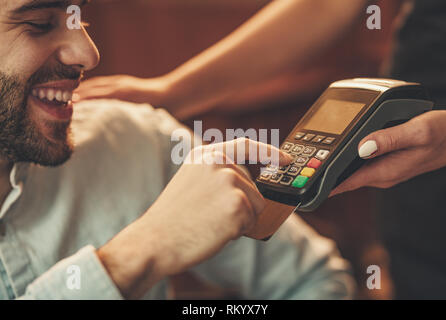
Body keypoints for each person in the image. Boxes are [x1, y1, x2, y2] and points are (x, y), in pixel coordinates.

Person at [76, 0, 446, 298]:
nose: (85, 54)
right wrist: (172, 92)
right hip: (414, 151)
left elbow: (317, 279)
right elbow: (328, 4)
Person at [0, 0, 355, 299]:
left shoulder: (136, 139)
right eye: (40, 24)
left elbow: (318, 282)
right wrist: (135, 256)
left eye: (81, 18)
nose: (88, 54)